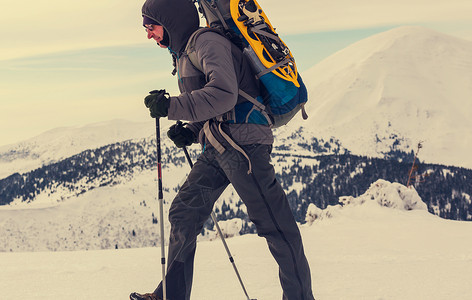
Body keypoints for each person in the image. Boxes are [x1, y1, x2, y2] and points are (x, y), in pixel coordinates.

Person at [130, 0, 315, 299]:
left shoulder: (207, 42)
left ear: (170, 21)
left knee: (275, 225)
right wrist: (190, 130)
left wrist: (172, 106)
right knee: (184, 212)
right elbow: (217, 102)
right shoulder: (186, 51)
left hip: (244, 145)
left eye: (151, 26)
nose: (149, 34)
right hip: (219, 144)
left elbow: (225, 95)